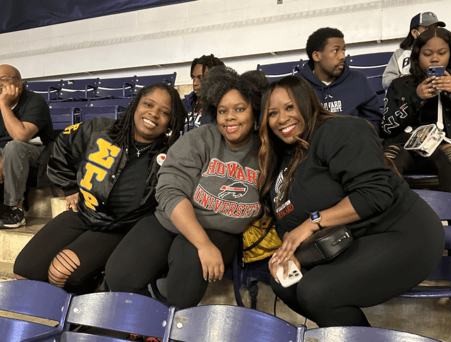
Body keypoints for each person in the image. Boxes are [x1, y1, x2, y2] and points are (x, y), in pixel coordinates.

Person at [258, 75, 445, 328]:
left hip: (402, 233)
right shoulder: (282, 159)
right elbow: (290, 223)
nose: (281, 119)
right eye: (272, 113)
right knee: (286, 283)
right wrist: (291, 254)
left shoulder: (338, 130)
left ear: (307, 102)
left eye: (289, 107)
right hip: (350, 243)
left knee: (316, 290)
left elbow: (374, 194)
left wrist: (313, 222)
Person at [105, 66, 270, 310]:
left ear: (254, 110)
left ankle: (173, 328)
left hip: (220, 230)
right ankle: (147, 327)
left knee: (184, 282)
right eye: (223, 111)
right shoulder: (201, 138)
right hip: (171, 220)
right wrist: (203, 245)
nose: (229, 117)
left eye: (239, 109)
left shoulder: (266, 150)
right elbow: (169, 190)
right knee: (120, 275)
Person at [13, 83, 187, 296]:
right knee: (24, 270)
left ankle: (86, 304)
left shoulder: (172, 153)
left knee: (61, 271)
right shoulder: (98, 129)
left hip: (121, 226)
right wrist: (69, 187)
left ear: (171, 120)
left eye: (164, 112)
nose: (154, 113)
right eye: (148, 104)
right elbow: (61, 146)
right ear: (135, 105)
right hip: (84, 213)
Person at [381, 28, 451, 195]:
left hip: (441, 147)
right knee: (389, 157)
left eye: (442, 53)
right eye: (427, 54)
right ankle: (385, 217)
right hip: (404, 147)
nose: (435, 59)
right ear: (417, 56)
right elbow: (387, 128)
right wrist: (416, 98)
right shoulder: (400, 84)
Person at [0, 64, 55, 228]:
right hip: (6, 152)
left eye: (3, 80)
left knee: (14, 147)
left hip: (40, 153)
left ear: (18, 83)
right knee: (9, 149)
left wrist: (4, 105)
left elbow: (21, 136)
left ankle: (15, 211)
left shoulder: (35, 101)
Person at [298, 27, 383, 129]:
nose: (342, 56)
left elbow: (374, 123)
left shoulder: (358, 80)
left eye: (343, 50)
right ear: (316, 56)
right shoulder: (297, 85)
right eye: (335, 50)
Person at [382, 12, 445, 90]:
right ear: (415, 33)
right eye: (428, 29)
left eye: (435, 29)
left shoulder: (442, 53)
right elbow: (386, 81)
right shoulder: (401, 53)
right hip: (407, 97)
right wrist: (404, 79)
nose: (433, 33)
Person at [183, 54, 225, 132]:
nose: (195, 83)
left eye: (201, 78)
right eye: (193, 78)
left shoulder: (222, 107)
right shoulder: (183, 105)